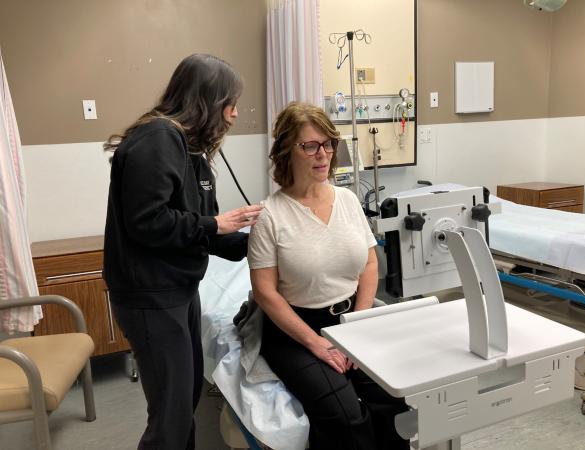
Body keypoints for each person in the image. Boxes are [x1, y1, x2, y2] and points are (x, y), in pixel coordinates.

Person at [102, 54, 262, 450]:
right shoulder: (157, 139)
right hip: (150, 296)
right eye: (231, 102)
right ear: (207, 101)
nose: (235, 114)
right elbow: (147, 221)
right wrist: (216, 225)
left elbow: (201, 231)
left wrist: (262, 245)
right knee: (171, 414)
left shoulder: (192, 153)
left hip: (179, 289)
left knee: (185, 396)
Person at [248, 102, 409, 450]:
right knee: (345, 415)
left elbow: (369, 265)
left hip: (352, 319)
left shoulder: (348, 201)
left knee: (396, 400)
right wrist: (316, 342)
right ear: (286, 151)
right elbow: (266, 293)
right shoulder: (270, 216)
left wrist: (358, 323)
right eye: (310, 146)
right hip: (296, 332)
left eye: (328, 144)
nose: (323, 155)